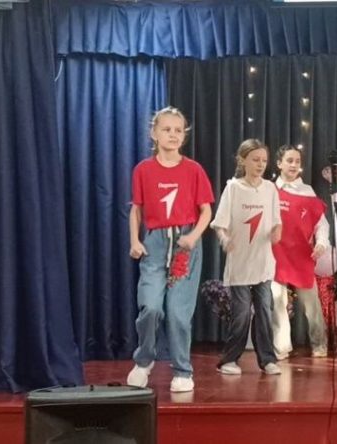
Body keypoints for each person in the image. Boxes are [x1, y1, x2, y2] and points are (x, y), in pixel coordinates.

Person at [127, 107, 214, 393]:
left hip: (185, 244)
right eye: (167, 129)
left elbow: (206, 211)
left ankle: (182, 370)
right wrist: (135, 241)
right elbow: (136, 210)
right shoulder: (143, 169)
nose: (173, 135)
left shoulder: (194, 169)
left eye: (178, 130)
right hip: (154, 244)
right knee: (150, 307)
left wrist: (193, 237)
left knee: (178, 312)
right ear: (154, 133)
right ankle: (144, 359)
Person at [212, 139, 284, 376]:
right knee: (241, 313)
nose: (260, 164)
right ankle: (229, 360)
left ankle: (268, 359)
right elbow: (219, 224)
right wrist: (225, 240)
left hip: (263, 263)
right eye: (255, 160)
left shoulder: (270, 189)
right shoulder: (233, 188)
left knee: (264, 311)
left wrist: (277, 232)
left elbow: (277, 221)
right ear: (242, 160)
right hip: (240, 264)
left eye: (264, 160)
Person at [271, 144, 330, 359]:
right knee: (277, 302)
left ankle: (319, 344)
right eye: (289, 160)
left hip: (302, 255)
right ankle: (281, 347)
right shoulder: (269, 191)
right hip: (275, 255)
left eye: (297, 161)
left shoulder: (308, 192)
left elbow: (321, 223)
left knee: (311, 304)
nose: (294, 165)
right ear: (279, 163)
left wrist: (321, 243)